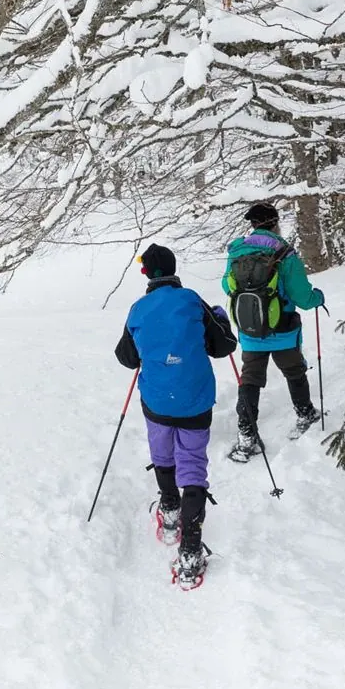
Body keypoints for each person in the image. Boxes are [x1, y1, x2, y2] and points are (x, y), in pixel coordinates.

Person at [114, 244, 238, 585]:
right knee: (193, 462)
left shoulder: (138, 309)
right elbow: (224, 345)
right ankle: (191, 546)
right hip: (196, 399)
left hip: (156, 400)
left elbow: (126, 357)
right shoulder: (192, 301)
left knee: (162, 450)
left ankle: (170, 509)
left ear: (146, 274)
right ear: (172, 268)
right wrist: (220, 317)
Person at [222, 203, 326, 461]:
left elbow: (227, 286)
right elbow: (302, 295)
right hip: (283, 329)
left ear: (253, 224)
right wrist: (317, 298)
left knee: (250, 379)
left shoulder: (236, 252)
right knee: (294, 371)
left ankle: (246, 434)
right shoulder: (283, 252)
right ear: (275, 222)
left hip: (250, 329)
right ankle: (305, 414)